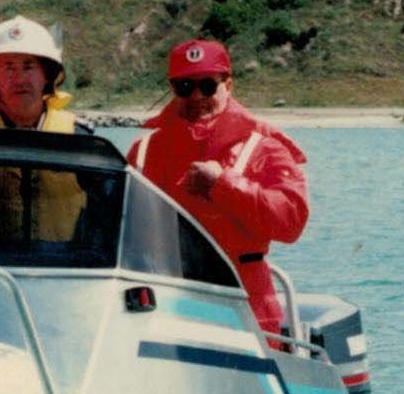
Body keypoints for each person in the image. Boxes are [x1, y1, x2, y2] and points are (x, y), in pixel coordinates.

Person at [127, 38, 308, 335]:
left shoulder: (265, 147)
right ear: (172, 89)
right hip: (165, 303)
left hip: (247, 307)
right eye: (185, 86)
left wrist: (223, 185)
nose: (197, 96)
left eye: (208, 85)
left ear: (228, 85)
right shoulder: (143, 151)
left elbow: (291, 222)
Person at [0, 17, 86, 245]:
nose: (19, 79)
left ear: (47, 75)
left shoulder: (80, 139)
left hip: (62, 269)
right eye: (8, 68)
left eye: (29, 67)